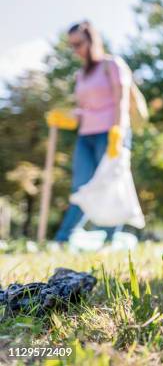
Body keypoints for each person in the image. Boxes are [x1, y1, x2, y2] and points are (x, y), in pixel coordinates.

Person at [49, 21, 133, 242]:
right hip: (86, 135)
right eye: (72, 45)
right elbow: (84, 109)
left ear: (92, 40)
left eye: (79, 43)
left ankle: (110, 239)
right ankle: (64, 238)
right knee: (82, 186)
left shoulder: (112, 64)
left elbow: (120, 100)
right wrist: (65, 117)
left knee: (110, 184)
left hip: (111, 131)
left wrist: (118, 131)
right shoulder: (81, 75)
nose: (76, 49)